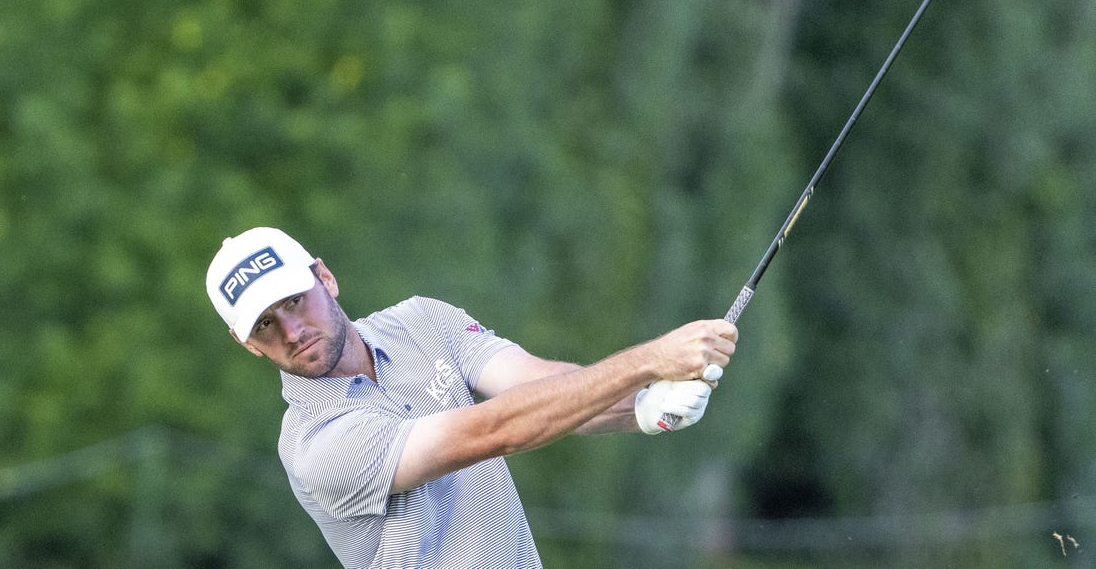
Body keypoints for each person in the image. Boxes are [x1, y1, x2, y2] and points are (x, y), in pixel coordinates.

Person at [206, 226, 737, 568]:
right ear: (246, 343)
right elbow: (493, 431)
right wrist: (646, 361)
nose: (293, 330)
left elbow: (538, 386)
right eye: (267, 324)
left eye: (296, 301)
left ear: (326, 278)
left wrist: (642, 404)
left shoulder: (421, 320)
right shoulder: (316, 443)